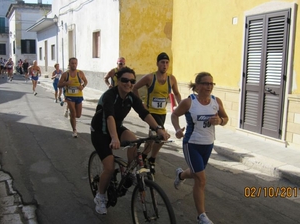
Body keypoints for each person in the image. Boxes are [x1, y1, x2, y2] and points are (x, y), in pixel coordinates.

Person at [91, 67, 169, 215]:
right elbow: (110, 117)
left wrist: (159, 129)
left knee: (134, 140)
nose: (129, 83)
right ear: (117, 81)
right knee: (109, 167)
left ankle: (128, 172)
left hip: (117, 127)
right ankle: (100, 196)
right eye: (124, 80)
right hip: (100, 132)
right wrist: (114, 138)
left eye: (132, 81)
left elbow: (144, 113)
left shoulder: (131, 97)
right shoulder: (110, 96)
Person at [171, 72, 228, 224]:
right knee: (201, 179)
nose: (209, 87)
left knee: (196, 173)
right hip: (192, 144)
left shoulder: (216, 101)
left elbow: (226, 119)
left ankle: (181, 175)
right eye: (205, 83)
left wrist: (220, 120)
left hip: (208, 144)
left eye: (211, 84)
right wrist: (177, 130)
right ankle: (201, 216)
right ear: (197, 86)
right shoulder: (189, 102)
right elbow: (174, 115)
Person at [132, 52, 181, 174]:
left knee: (154, 137)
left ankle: (144, 156)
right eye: (162, 62)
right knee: (160, 135)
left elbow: (177, 93)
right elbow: (134, 88)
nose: (165, 65)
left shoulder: (171, 79)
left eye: (167, 62)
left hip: (162, 113)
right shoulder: (150, 77)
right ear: (157, 64)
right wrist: (141, 104)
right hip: (150, 113)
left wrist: (182, 105)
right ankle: (151, 159)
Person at [57, 57, 87, 138]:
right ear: (69, 64)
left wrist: (82, 86)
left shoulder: (80, 73)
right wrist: (66, 83)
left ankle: (70, 114)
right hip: (69, 96)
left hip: (79, 96)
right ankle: (74, 130)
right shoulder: (65, 74)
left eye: (75, 63)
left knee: (78, 115)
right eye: (72, 63)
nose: (74, 65)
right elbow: (59, 85)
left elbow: (86, 81)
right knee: (73, 114)